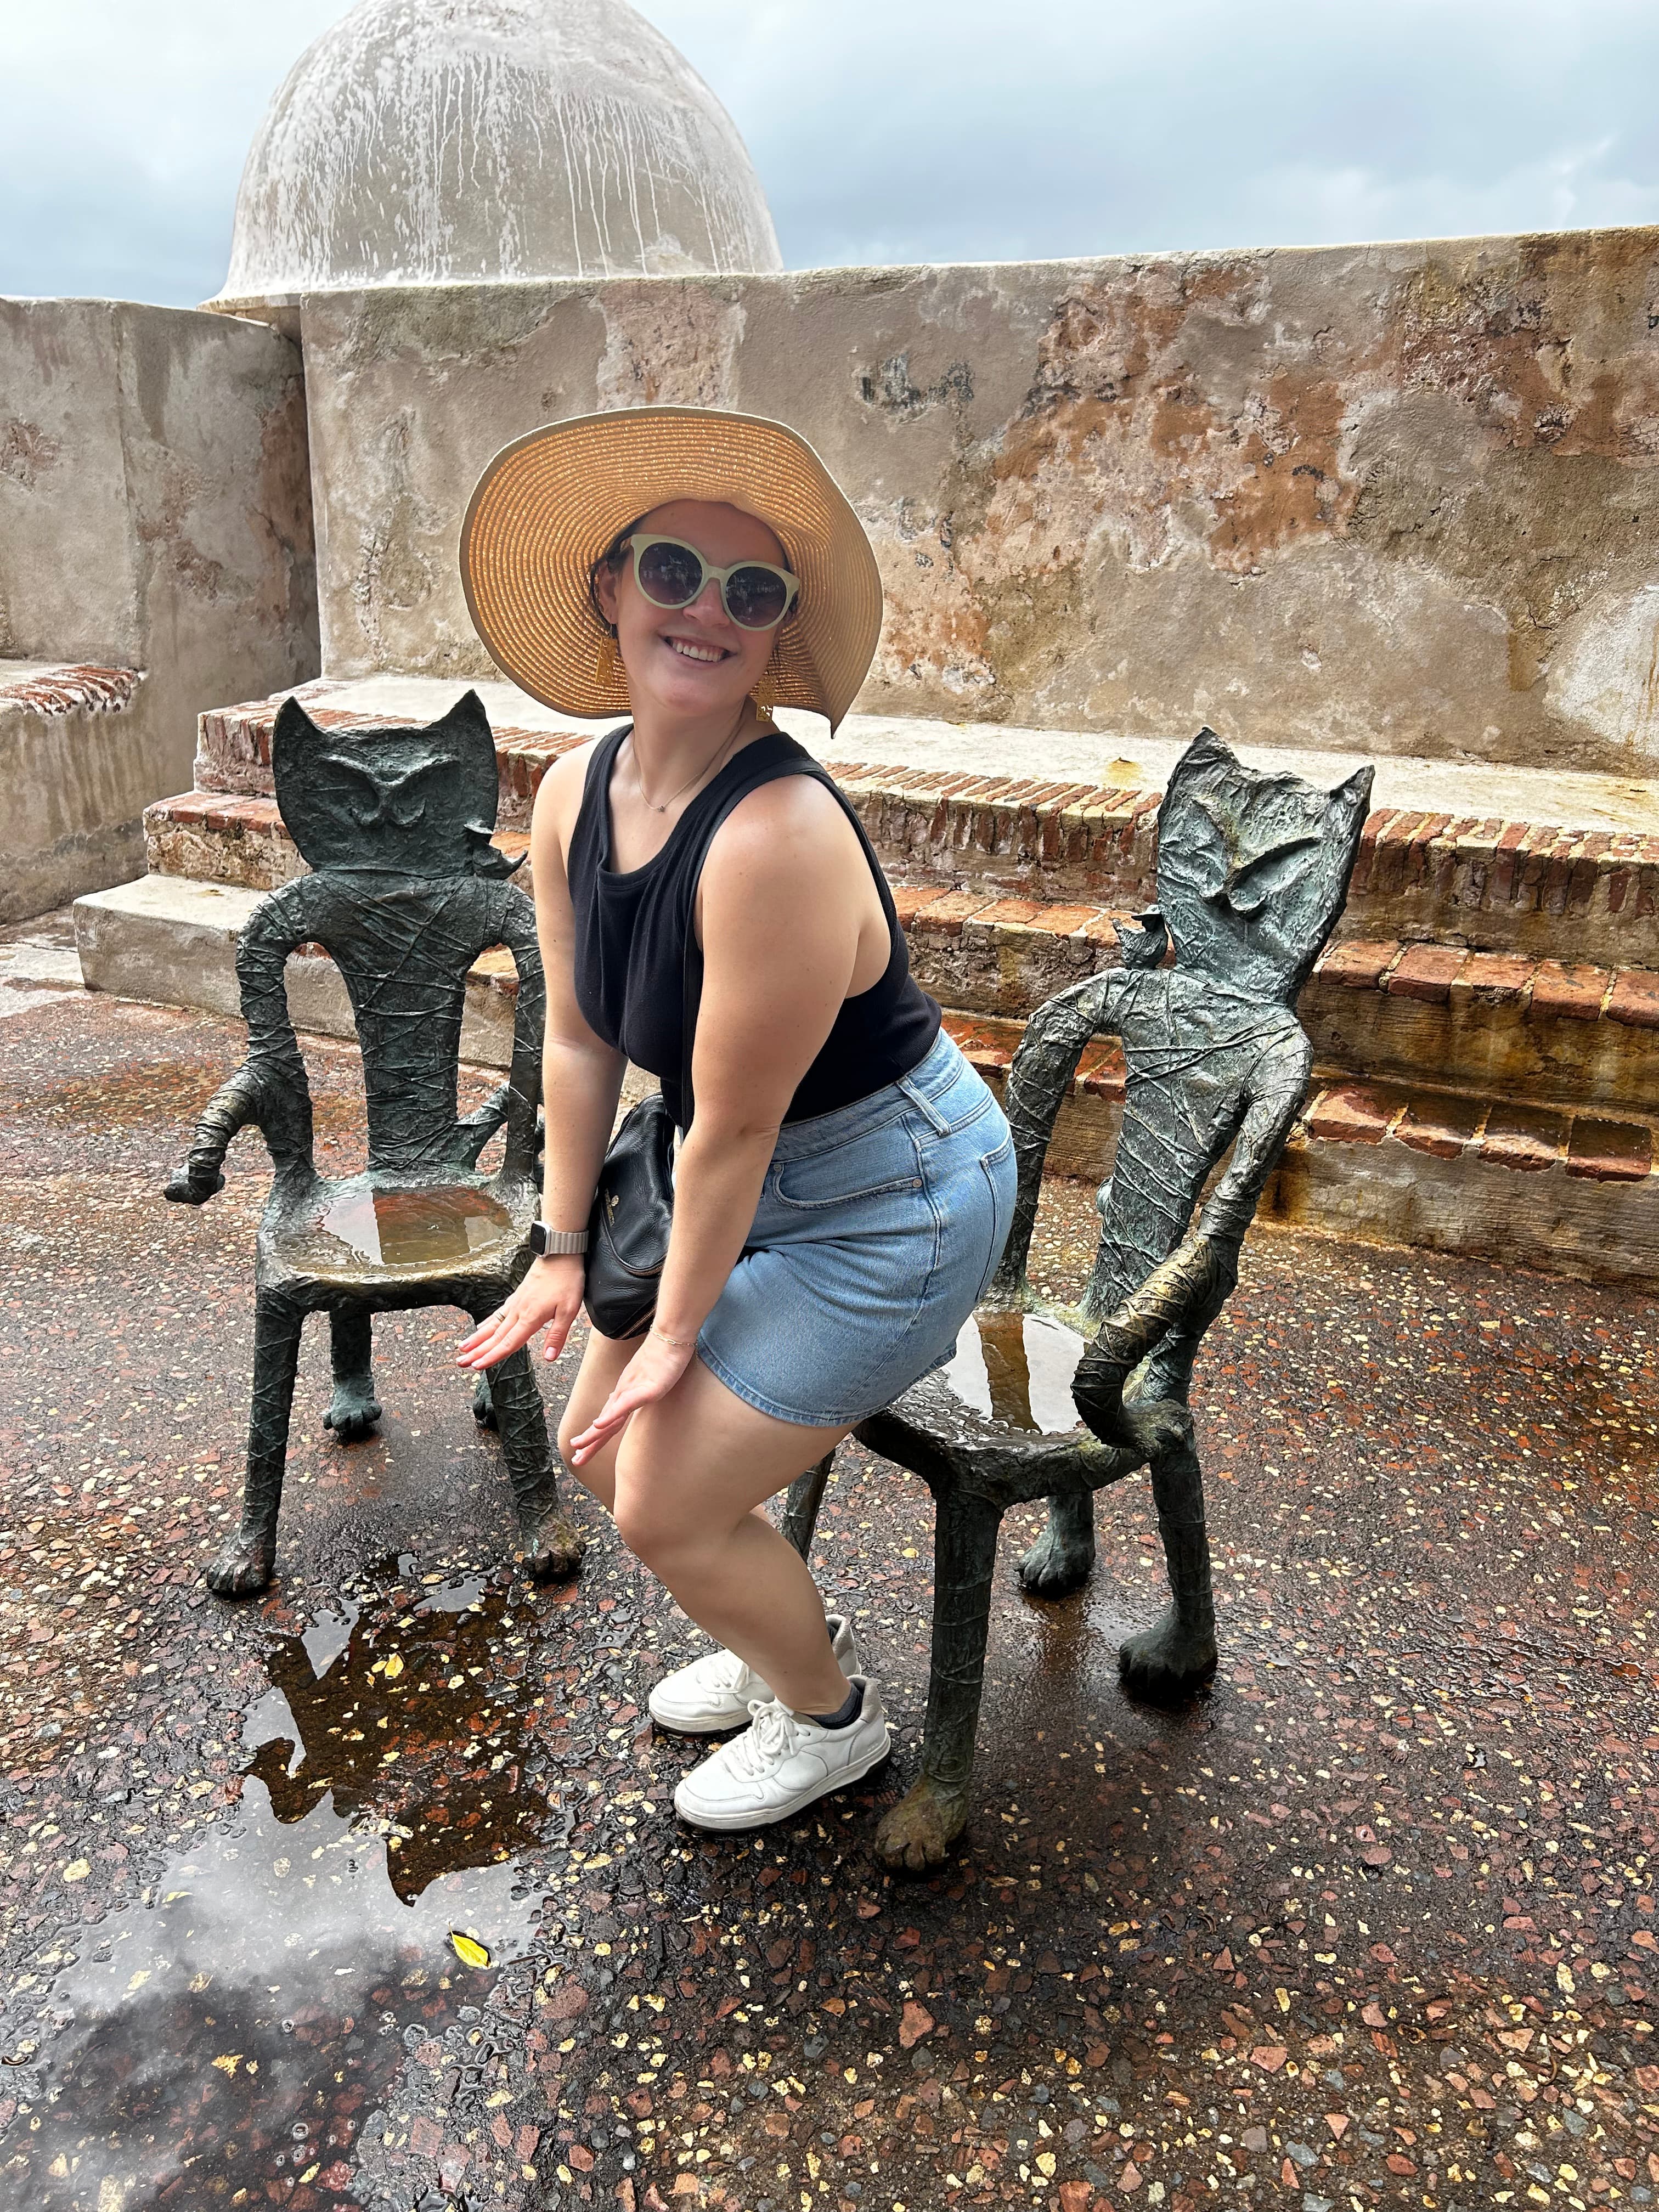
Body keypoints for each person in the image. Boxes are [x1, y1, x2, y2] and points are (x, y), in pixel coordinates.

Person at [455, 406, 1015, 1831]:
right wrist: (566, 1249)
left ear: (776, 637)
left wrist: (680, 1333)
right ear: (608, 587)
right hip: (749, 1172)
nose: (707, 611)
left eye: (752, 594)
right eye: (673, 573)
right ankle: (777, 1631)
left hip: (895, 1195)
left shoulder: (774, 838)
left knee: (659, 1500)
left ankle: (834, 1719)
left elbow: (730, 1135)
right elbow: (576, 1037)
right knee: (605, 1452)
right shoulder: (581, 792)